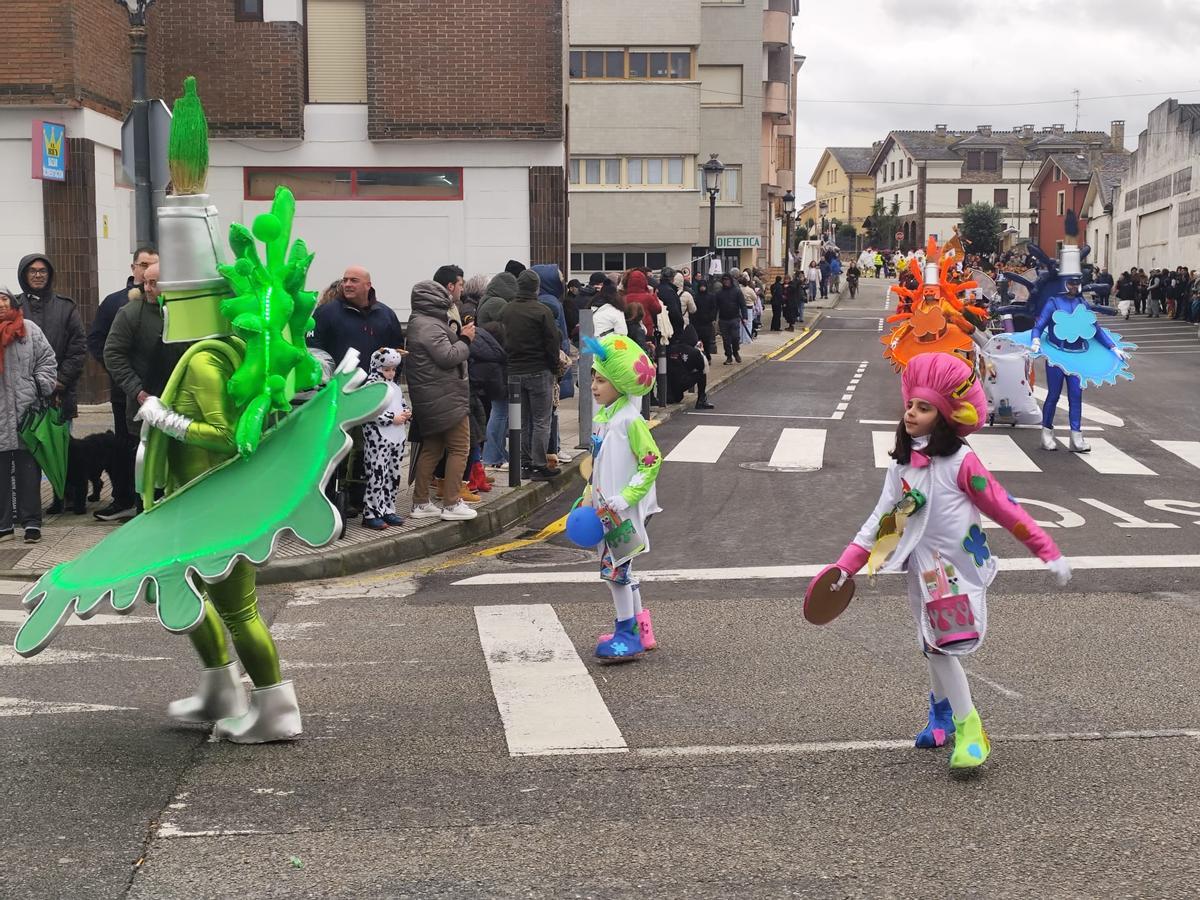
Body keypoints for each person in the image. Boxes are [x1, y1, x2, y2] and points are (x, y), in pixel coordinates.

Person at [814, 353, 1071, 771]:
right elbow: (881, 521)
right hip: (923, 571)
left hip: (959, 571)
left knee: (939, 645)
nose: (911, 413)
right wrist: (845, 567)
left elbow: (1004, 506)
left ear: (947, 416)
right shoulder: (902, 463)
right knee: (930, 643)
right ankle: (941, 714)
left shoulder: (961, 462)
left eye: (924, 407)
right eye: (912, 404)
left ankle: (971, 727)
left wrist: (1047, 550)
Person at [581, 333, 663, 662]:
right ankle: (642, 630)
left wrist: (626, 497)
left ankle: (626, 633)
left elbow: (652, 460)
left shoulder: (629, 419)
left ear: (619, 383)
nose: (594, 386)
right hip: (608, 509)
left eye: (601, 380)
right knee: (622, 569)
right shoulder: (608, 418)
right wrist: (588, 495)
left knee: (615, 572)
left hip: (622, 512)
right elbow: (599, 466)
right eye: (593, 379)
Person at [87, 245, 158, 521]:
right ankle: (125, 498)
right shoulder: (116, 303)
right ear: (133, 268)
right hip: (125, 394)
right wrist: (121, 374)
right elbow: (99, 343)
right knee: (126, 448)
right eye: (143, 265)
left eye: (153, 265)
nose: (146, 271)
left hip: (158, 394)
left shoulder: (169, 302)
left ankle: (148, 500)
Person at [405, 280, 479, 521]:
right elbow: (448, 357)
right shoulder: (430, 326)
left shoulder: (420, 323)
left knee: (433, 449)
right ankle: (451, 503)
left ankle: (421, 502)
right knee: (459, 448)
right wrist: (466, 339)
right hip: (446, 397)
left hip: (432, 397)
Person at [103, 262, 187, 457]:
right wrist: (137, 391)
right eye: (146, 283)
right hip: (146, 410)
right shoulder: (130, 313)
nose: (147, 288)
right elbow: (113, 354)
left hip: (182, 408)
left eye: (154, 283)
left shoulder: (184, 313)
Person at [0, 289, 58, 543]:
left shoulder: (30, 329)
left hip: (27, 412)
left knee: (28, 469)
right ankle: (3, 524)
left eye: (4, 299)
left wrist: (38, 384)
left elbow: (48, 360)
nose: (1, 304)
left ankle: (31, 522)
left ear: (13, 302)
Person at [500, 269, 561, 481]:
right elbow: (552, 342)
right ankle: (539, 464)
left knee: (520, 421)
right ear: (536, 288)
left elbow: (502, 340)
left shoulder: (506, 311)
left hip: (514, 371)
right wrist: (554, 367)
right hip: (538, 370)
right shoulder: (541, 311)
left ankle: (523, 464)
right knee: (541, 420)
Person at [310, 266, 404, 371]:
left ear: (368, 285)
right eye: (345, 280)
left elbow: (397, 352)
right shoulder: (326, 312)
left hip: (377, 385)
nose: (347, 284)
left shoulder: (386, 315)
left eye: (354, 280)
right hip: (338, 384)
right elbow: (314, 350)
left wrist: (390, 379)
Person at [360, 348, 411, 530]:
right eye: (387, 369)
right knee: (377, 475)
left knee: (393, 474)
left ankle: (388, 509)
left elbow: (401, 404)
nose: (391, 373)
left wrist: (406, 414)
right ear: (377, 367)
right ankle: (371, 513)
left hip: (396, 438)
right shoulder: (371, 387)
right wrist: (392, 418)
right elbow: (369, 411)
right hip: (378, 440)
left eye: (393, 369)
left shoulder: (395, 387)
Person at [666, 326, 712, 409]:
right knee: (702, 374)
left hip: (669, 384)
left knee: (677, 397)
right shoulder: (694, 352)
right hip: (682, 381)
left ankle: (668, 395)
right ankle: (701, 400)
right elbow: (702, 367)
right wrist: (701, 352)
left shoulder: (671, 348)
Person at [715, 274, 744, 364]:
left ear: (731, 281)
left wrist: (745, 316)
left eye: (727, 280)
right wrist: (713, 318)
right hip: (723, 319)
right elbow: (715, 307)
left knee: (735, 338)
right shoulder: (719, 293)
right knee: (726, 340)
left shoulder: (737, 291)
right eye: (724, 280)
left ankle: (735, 352)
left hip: (734, 318)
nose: (725, 281)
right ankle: (729, 356)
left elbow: (742, 305)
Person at [691, 278, 718, 360]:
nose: (702, 288)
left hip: (707, 322)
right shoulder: (696, 297)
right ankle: (700, 356)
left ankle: (707, 355)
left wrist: (712, 318)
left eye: (703, 286)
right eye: (701, 286)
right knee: (698, 340)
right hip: (697, 322)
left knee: (706, 340)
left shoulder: (711, 297)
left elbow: (714, 308)